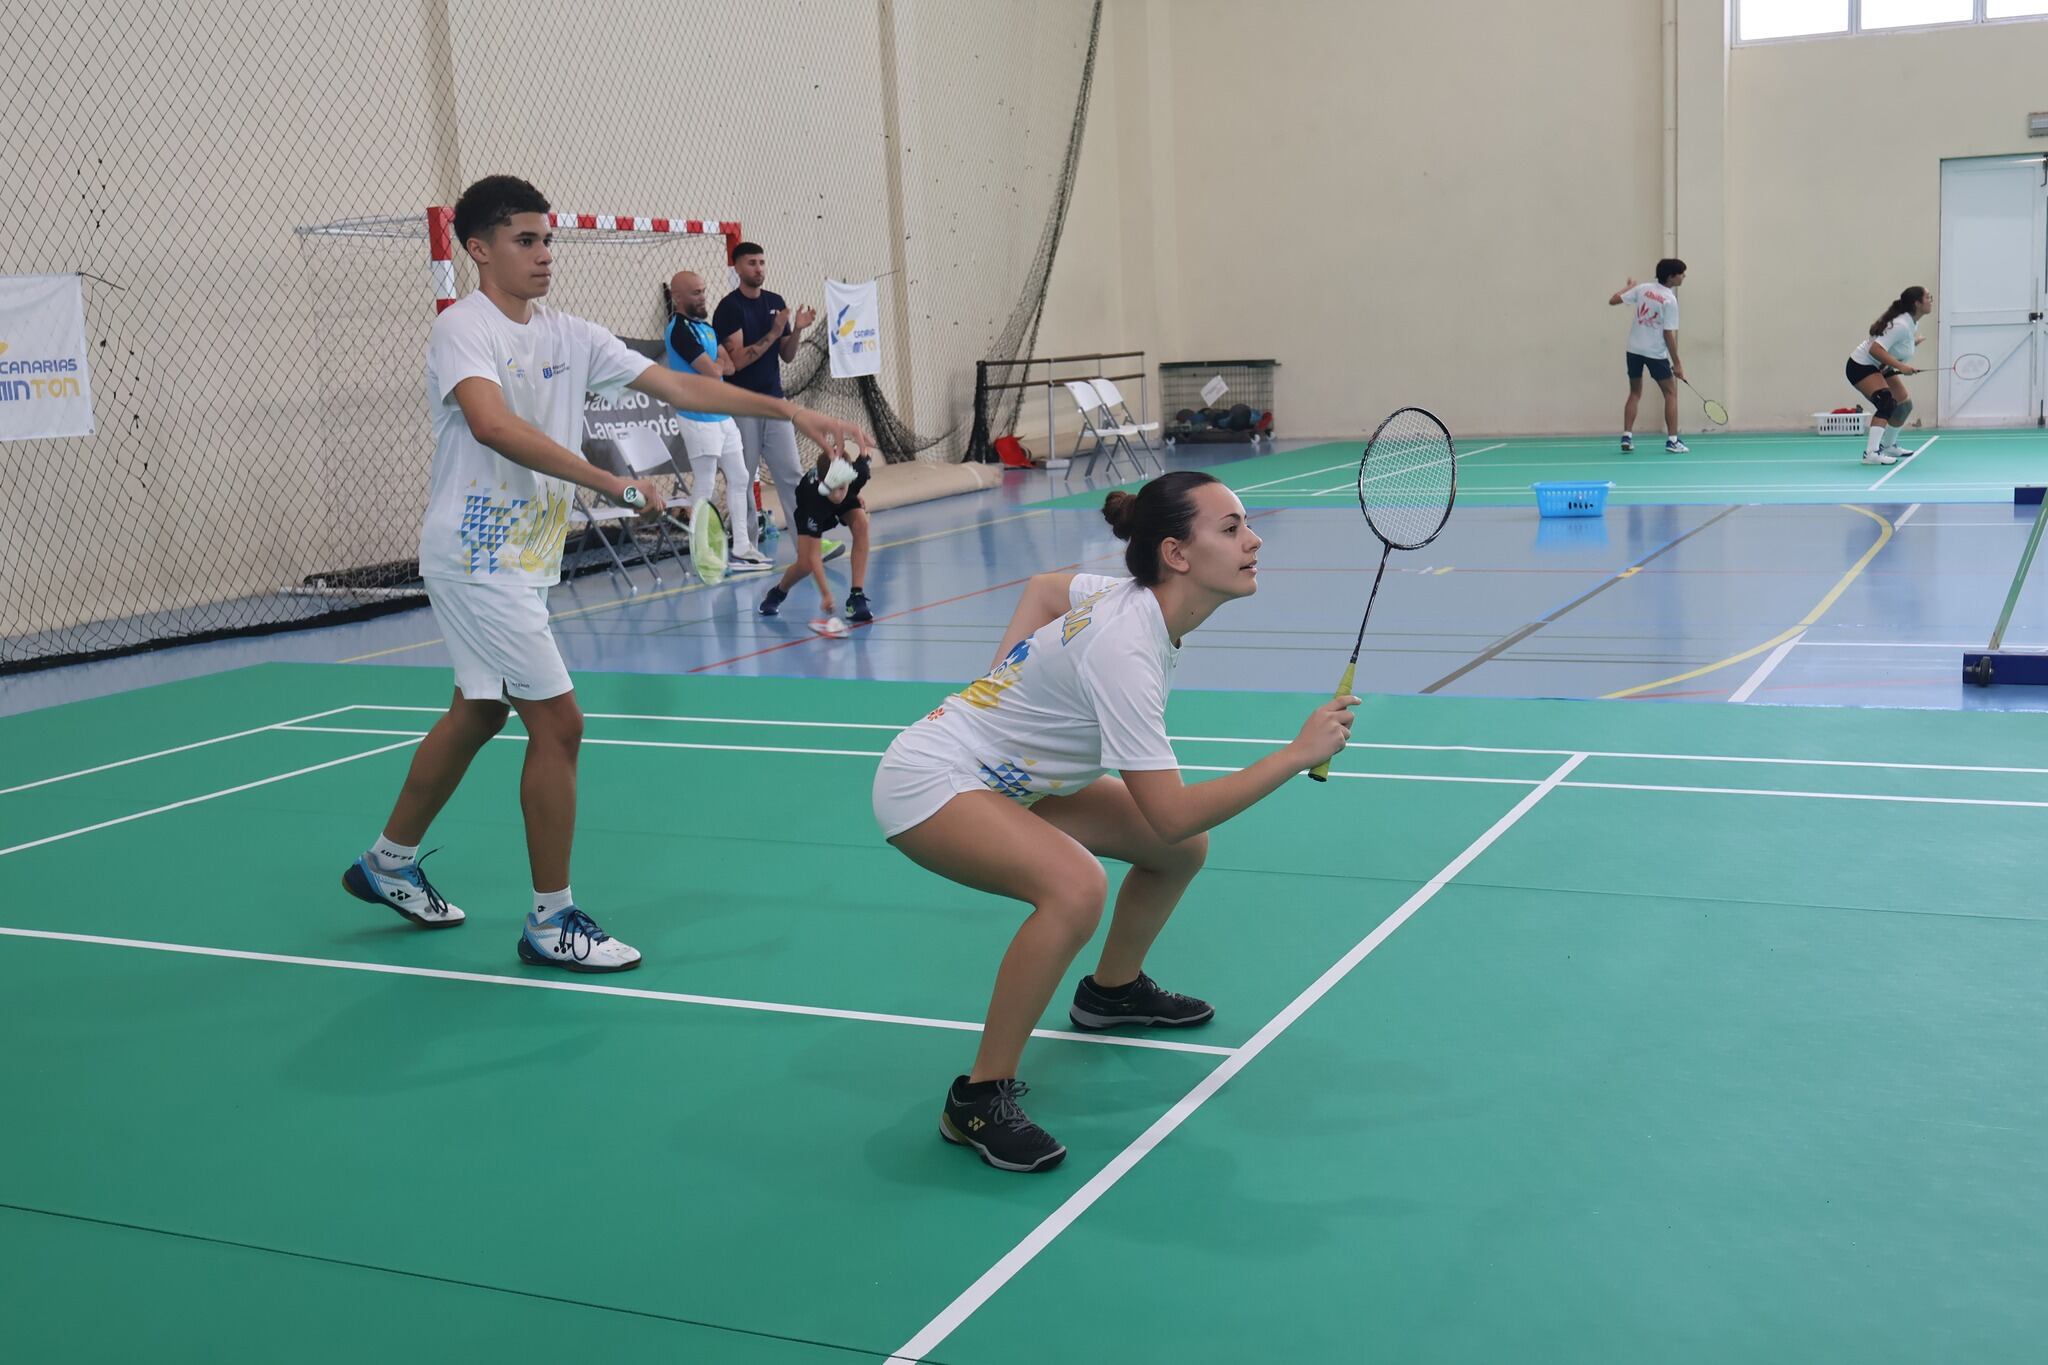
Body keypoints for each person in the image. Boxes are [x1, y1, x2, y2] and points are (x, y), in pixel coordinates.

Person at [340, 175, 867, 972]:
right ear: (478, 248)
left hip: (521, 558)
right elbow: (493, 424)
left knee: (481, 713)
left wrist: (793, 410)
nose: (545, 254)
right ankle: (552, 921)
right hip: (479, 556)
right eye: (525, 240)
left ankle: (386, 862)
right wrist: (614, 484)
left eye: (548, 239)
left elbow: (685, 385)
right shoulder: (465, 330)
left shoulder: (572, 334)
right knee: (561, 724)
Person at [870, 471, 1357, 1172]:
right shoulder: (1127, 649)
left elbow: (1041, 587)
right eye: (1231, 528)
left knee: (1183, 852)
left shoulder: (1133, 598)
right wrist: (1294, 754)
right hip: (931, 780)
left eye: (1246, 523)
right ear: (1177, 554)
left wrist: (995, 688)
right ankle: (976, 1099)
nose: (1253, 540)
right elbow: (1166, 811)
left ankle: (1111, 991)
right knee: (1076, 887)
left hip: (1020, 777)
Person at [663, 269, 772, 571]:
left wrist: (718, 364)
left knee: (740, 477)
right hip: (697, 416)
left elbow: (730, 366)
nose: (702, 296)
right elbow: (711, 370)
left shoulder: (706, 329)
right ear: (678, 297)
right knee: (706, 482)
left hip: (722, 415)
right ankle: (703, 550)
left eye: (703, 290)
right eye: (695, 292)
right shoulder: (679, 329)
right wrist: (717, 365)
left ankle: (741, 546)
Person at [712, 241, 817, 545]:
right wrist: (774, 331)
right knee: (743, 478)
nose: (758, 269)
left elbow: (786, 355)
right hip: (743, 404)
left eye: (761, 262)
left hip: (774, 402)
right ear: (737, 268)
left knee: (792, 474)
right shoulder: (730, 308)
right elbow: (738, 361)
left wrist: (795, 330)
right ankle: (748, 547)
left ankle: (806, 544)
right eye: (751, 263)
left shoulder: (775, 301)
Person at [757, 448, 875, 635]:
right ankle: (778, 592)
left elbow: (865, 454)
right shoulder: (813, 499)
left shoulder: (855, 475)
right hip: (814, 507)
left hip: (840, 498)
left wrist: (863, 444)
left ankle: (856, 597)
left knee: (861, 522)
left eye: (842, 488)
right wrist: (826, 593)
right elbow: (814, 557)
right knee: (805, 564)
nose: (838, 494)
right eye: (834, 488)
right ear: (822, 481)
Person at [1846, 286, 1934, 467]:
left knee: (1904, 405)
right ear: (1917, 303)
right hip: (1861, 365)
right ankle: (1871, 453)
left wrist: (1913, 343)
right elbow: (1875, 349)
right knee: (1886, 402)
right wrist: (1902, 367)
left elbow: (1895, 347)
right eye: (1927, 297)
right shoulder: (1901, 325)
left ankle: (1888, 445)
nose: (1930, 300)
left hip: (1879, 366)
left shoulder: (1911, 322)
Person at [1609, 259, 1688, 454]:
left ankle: (1627, 436)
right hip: (1655, 353)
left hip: (1633, 350)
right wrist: (1677, 364)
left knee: (1635, 392)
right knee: (1670, 393)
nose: (1684, 276)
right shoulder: (1670, 300)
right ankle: (1672, 441)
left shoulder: (1642, 288)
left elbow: (1613, 300)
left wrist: (1627, 288)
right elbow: (1668, 334)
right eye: (1681, 273)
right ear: (1671, 277)